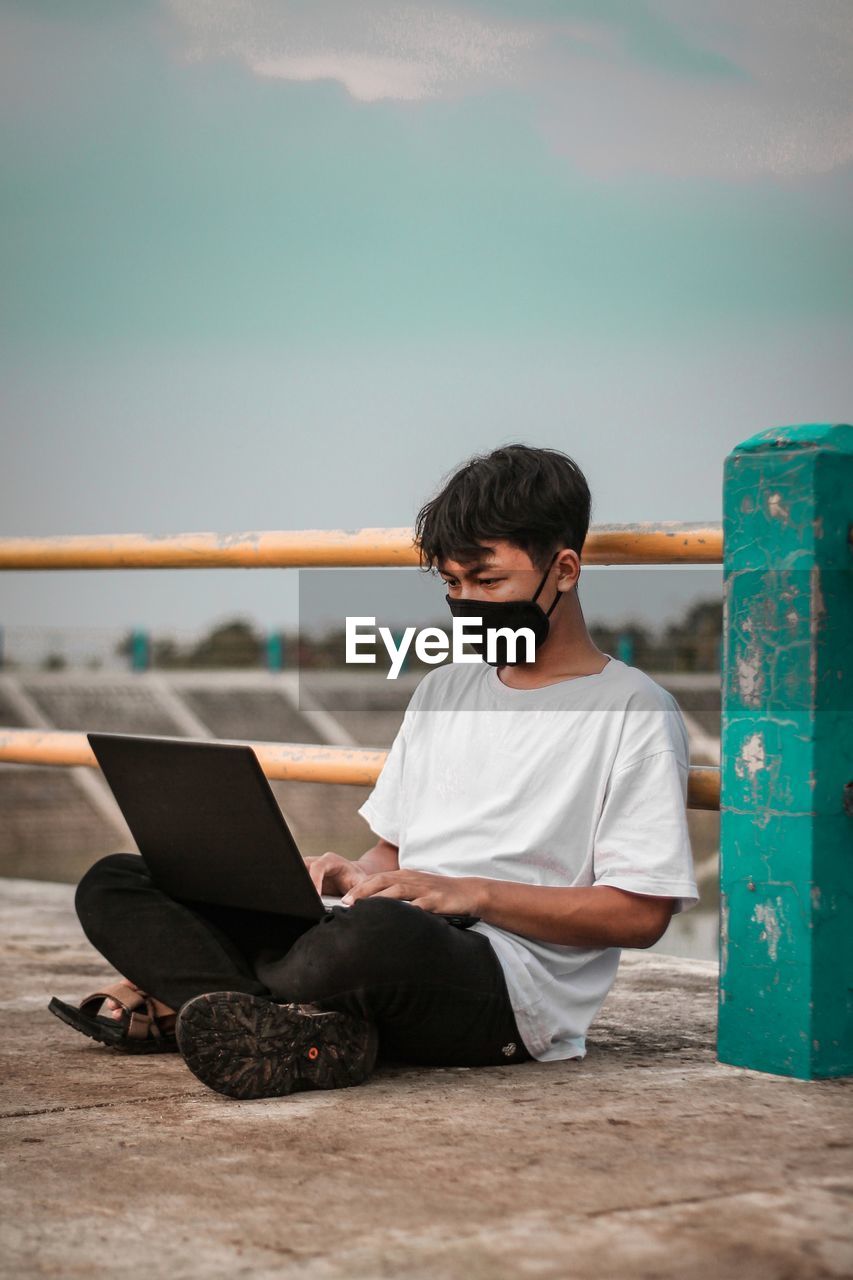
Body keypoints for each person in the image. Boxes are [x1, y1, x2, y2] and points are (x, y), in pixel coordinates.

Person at [50, 443, 699, 1099]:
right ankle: (276, 1019)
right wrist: (358, 875)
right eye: (452, 584)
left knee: (373, 939)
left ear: (562, 570)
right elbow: (393, 849)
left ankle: (202, 995)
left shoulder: (633, 710)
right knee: (118, 882)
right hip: (374, 932)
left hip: (498, 980)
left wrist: (471, 893)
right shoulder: (445, 690)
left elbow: (638, 915)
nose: (467, 602)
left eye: (488, 580)